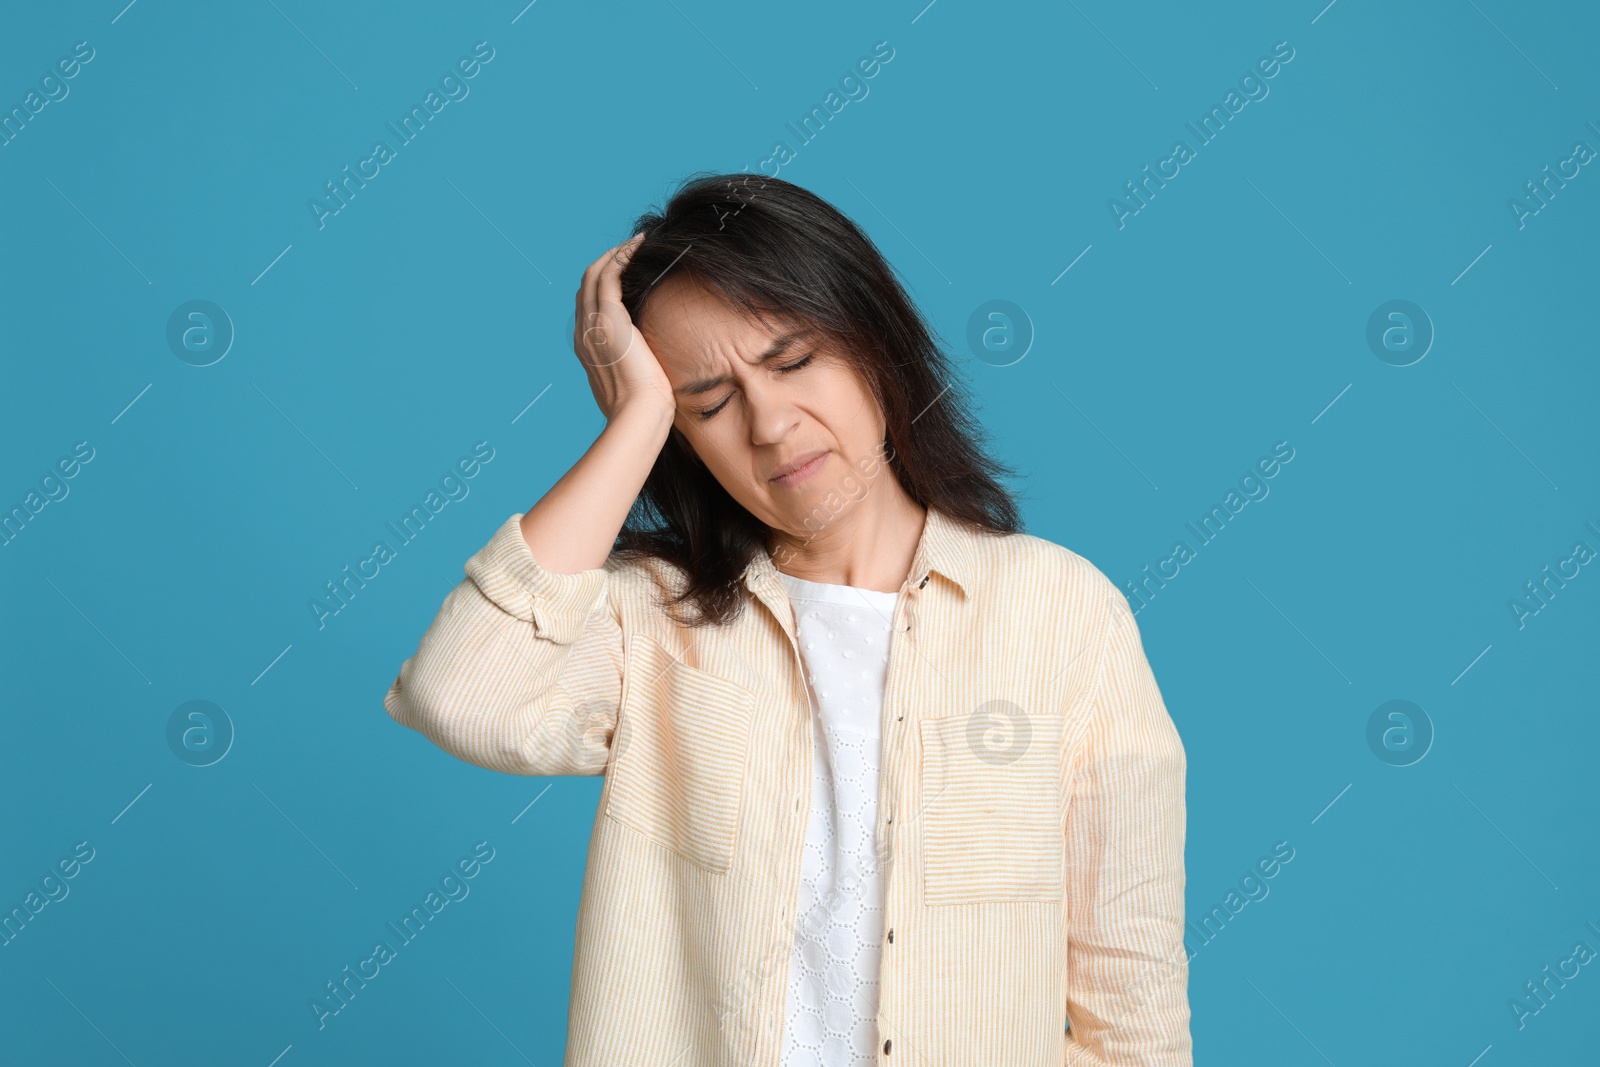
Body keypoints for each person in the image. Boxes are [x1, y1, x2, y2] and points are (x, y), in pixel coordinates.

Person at [383, 173, 1191, 1067]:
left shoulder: (1063, 614)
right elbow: (455, 694)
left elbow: (1132, 1006)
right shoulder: (653, 620)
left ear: (874, 345)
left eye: (791, 360)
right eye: (710, 405)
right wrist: (634, 422)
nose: (769, 424)